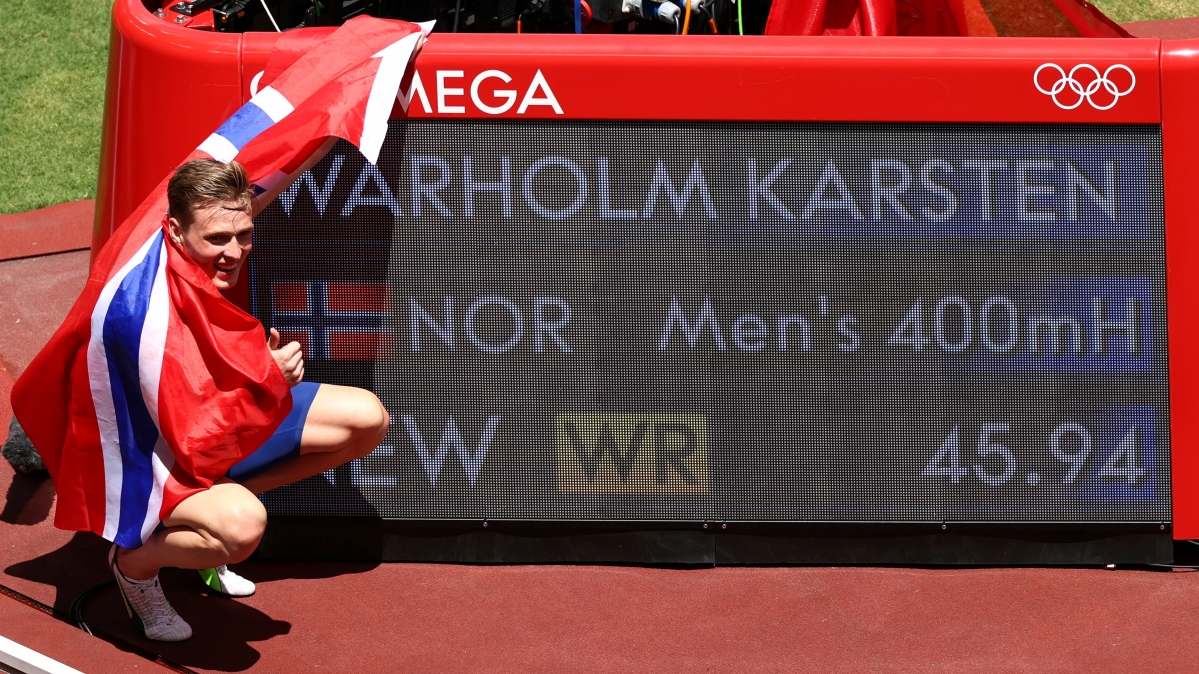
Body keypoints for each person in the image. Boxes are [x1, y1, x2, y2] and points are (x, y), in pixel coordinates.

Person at [108, 158, 389, 641]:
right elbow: (189, 434)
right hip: (159, 456)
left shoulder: (195, 252)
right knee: (240, 532)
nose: (234, 252)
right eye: (217, 239)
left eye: (244, 234)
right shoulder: (146, 313)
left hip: (220, 420)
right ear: (175, 230)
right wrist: (266, 378)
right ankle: (135, 564)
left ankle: (215, 517)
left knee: (368, 419)